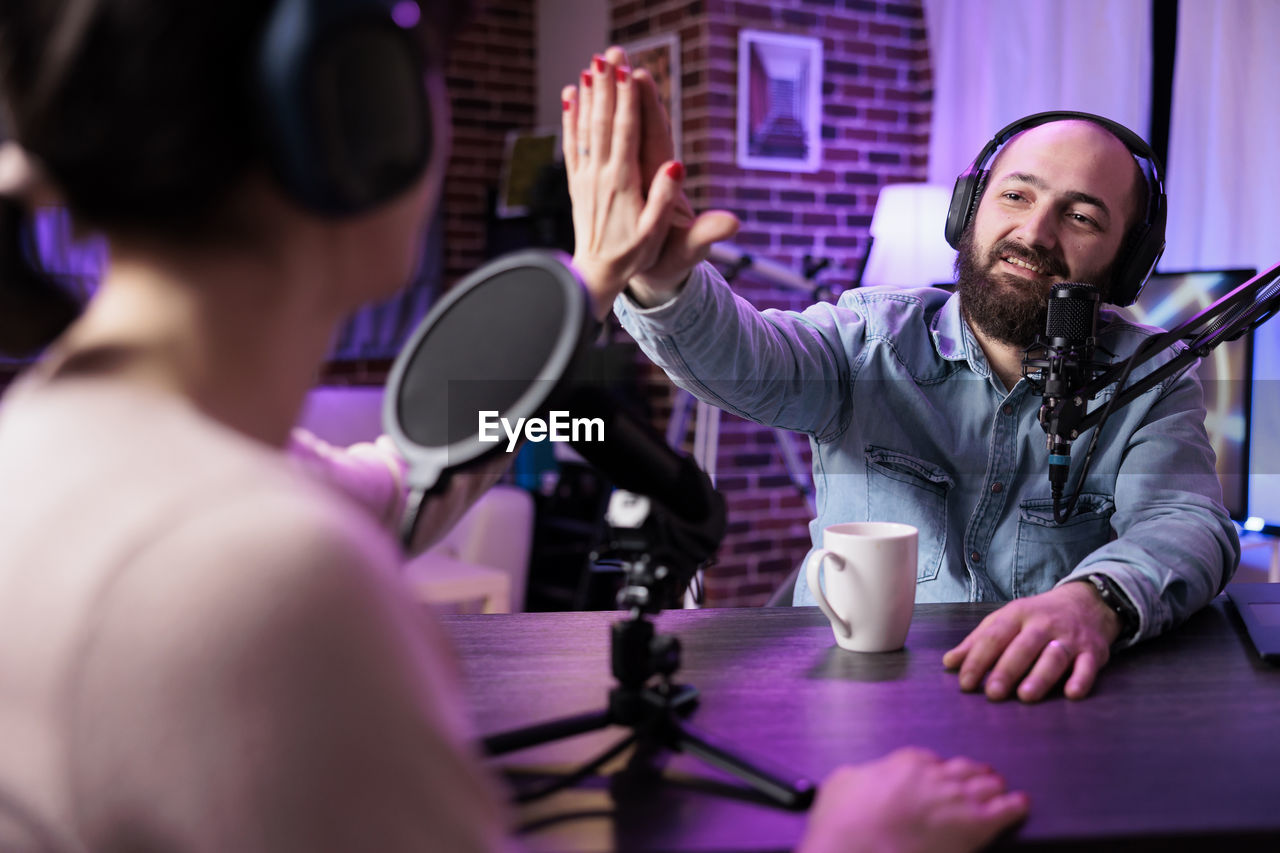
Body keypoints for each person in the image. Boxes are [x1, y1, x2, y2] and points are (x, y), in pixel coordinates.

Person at [0, 3, 1027, 851]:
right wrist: (849, 845)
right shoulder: (263, 571)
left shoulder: (66, 438)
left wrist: (589, 279)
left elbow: (401, 483)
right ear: (359, 119)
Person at [565, 48, 1240, 706]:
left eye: (1082, 215)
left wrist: (1095, 601)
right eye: (1016, 195)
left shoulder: (1150, 377)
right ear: (968, 211)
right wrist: (663, 279)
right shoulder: (866, 340)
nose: (1035, 232)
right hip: (852, 709)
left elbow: (1186, 522)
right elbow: (742, 357)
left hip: (1042, 708)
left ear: (1128, 264)